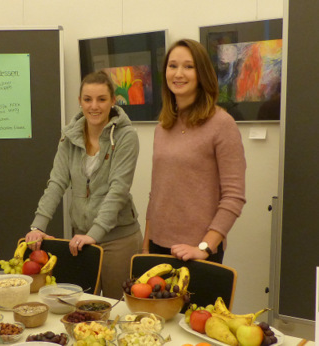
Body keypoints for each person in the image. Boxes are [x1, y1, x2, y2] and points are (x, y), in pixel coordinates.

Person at [25, 71, 142, 299]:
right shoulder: (70, 136)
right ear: (80, 102)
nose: (94, 106)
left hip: (118, 239)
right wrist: (38, 226)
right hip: (80, 239)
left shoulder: (126, 137)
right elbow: (57, 182)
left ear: (113, 101)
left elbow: (118, 190)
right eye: (87, 99)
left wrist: (95, 234)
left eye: (101, 99)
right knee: (79, 308)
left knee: (114, 309)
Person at [143, 39, 246, 263]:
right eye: (172, 66)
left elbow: (234, 197)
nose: (179, 73)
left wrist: (204, 247)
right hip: (157, 246)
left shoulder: (222, 124)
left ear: (202, 74)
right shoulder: (162, 126)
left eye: (188, 67)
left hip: (198, 252)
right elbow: (157, 192)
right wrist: (145, 245)